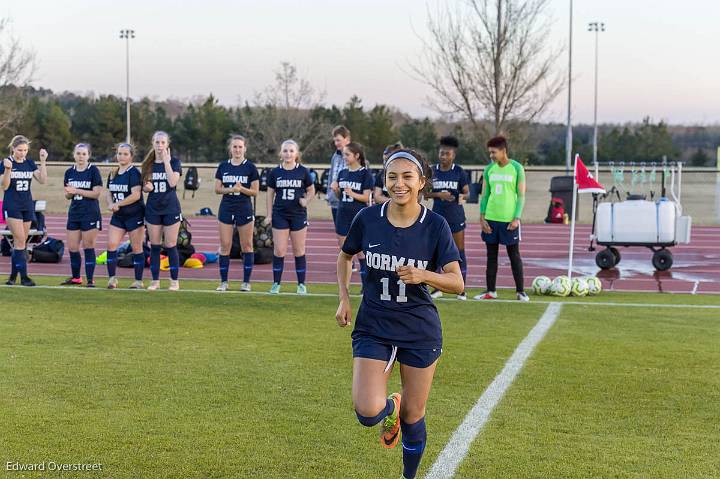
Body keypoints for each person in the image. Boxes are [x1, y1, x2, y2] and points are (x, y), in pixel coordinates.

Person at [335, 149, 463, 479]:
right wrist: (344, 299)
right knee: (367, 411)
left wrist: (426, 276)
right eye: (392, 177)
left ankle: (409, 476)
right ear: (385, 181)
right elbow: (345, 257)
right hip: (374, 325)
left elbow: (457, 282)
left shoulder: (435, 225)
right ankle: (390, 404)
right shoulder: (368, 219)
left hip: (419, 330)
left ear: (422, 182)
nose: (399, 183)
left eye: (407, 177)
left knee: (413, 415)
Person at [474, 135, 529, 301]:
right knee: (491, 257)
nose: (491, 155)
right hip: (491, 219)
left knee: (514, 256)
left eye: (493, 152)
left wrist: (516, 217)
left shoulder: (517, 168)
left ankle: (520, 291)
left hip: (509, 221)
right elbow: (485, 195)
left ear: (503, 151)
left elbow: (521, 196)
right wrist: (482, 217)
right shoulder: (489, 169)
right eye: (490, 152)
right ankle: (491, 291)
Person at [264, 139, 315, 294]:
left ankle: (301, 285)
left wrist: (306, 200)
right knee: (279, 250)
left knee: (299, 250)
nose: (288, 154)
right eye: (285, 151)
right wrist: (269, 214)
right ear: (281, 153)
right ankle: (276, 284)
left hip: (298, 215)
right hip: (280, 214)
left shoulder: (303, 171)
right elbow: (269, 194)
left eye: (291, 151)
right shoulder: (275, 172)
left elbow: (311, 189)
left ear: (296, 154)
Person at [425, 136, 470, 300]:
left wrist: (462, 197)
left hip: (455, 216)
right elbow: (424, 192)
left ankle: (462, 288)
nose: (444, 157)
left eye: (447, 154)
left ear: (453, 155)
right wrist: (439, 194)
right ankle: (437, 288)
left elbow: (467, 193)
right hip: (437, 216)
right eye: (441, 153)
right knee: (435, 252)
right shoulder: (432, 170)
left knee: (459, 252)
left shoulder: (459, 171)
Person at [214, 134, 259, 292]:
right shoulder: (223, 166)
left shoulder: (250, 167)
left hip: (244, 208)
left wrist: (241, 189)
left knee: (246, 246)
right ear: (230, 149)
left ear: (245, 148)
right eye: (235, 147)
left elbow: (255, 192)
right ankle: (224, 282)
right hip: (226, 207)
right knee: (225, 245)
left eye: (240, 147)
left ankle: (246, 282)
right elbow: (217, 189)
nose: (237, 149)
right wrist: (231, 189)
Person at [2, 135, 48, 286]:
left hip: (27, 205)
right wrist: (8, 169)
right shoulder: (6, 162)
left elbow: (42, 180)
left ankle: (12, 278)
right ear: (13, 149)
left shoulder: (29, 163)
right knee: (20, 241)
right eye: (20, 150)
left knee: (20, 243)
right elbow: (5, 186)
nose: (22, 153)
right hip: (12, 205)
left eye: (25, 150)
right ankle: (25, 277)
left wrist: (42, 161)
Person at [141, 131, 182, 291]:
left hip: (171, 208)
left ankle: (174, 281)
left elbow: (172, 182)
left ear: (167, 145)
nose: (160, 146)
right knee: (155, 246)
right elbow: (144, 186)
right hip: (153, 209)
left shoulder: (175, 162)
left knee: (171, 245)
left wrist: (166, 162)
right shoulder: (147, 164)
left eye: (163, 143)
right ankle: (155, 281)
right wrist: (146, 187)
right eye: (157, 142)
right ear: (153, 143)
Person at [330, 142, 374, 283]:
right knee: (345, 252)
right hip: (342, 214)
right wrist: (336, 190)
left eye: (347, 154)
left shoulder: (365, 174)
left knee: (361, 253)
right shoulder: (342, 173)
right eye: (344, 154)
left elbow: (366, 197)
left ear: (356, 155)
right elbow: (340, 197)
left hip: (358, 216)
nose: (344, 157)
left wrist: (352, 193)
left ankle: (365, 285)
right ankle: (345, 286)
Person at [60, 143, 103, 287]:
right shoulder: (69, 172)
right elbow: (67, 195)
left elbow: (96, 193)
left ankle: (90, 279)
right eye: (78, 153)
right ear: (74, 155)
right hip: (74, 213)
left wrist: (77, 190)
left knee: (88, 246)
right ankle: (76, 278)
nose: (81, 157)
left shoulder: (93, 171)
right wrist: (69, 193)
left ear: (89, 156)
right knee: (72, 247)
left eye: (84, 154)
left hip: (90, 213)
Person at [105, 143, 146, 289]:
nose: (121, 156)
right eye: (119, 153)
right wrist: (110, 203)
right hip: (118, 216)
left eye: (125, 154)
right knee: (111, 245)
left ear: (131, 156)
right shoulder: (113, 172)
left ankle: (138, 281)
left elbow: (135, 195)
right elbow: (108, 192)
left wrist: (119, 204)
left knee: (136, 247)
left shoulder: (134, 173)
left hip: (135, 215)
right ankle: (112, 279)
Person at [326, 125, 351, 227]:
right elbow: (331, 176)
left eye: (338, 140)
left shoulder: (356, 155)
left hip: (349, 201)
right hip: (335, 201)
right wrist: (329, 193)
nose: (336, 143)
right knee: (340, 233)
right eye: (335, 141)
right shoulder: (335, 156)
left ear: (347, 139)